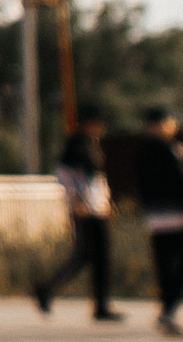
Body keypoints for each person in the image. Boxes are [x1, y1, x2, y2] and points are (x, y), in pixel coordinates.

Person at [34, 116, 120, 320]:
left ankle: (100, 304)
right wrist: (76, 201)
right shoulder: (76, 144)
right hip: (85, 209)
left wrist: (106, 201)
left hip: (97, 207)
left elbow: (97, 178)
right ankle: (48, 289)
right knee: (85, 255)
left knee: (97, 257)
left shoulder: (92, 144)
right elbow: (66, 175)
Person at [127, 107, 183, 331]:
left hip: (160, 218)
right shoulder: (170, 150)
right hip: (175, 217)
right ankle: (168, 311)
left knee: (170, 268)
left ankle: (167, 311)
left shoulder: (148, 151)